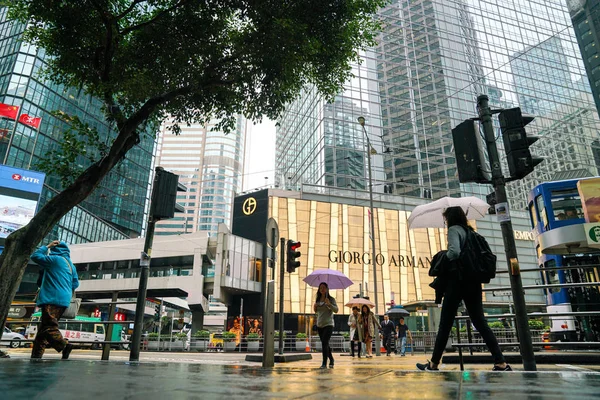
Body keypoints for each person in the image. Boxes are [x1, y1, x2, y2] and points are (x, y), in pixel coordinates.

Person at [416, 206, 511, 372]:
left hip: (457, 282)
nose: (445, 222)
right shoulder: (471, 232)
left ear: (450, 218)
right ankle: (500, 362)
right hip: (473, 282)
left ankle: (433, 364)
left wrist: (442, 256)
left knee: (445, 323)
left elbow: (454, 252)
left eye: (446, 219)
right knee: (480, 322)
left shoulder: (454, 230)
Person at [30, 240, 79, 360]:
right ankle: (36, 355)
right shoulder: (70, 265)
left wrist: (47, 246)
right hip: (64, 300)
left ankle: (64, 345)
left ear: (55, 250)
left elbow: (35, 256)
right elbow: (75, 284)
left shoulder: (55, 260)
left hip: (52, 298)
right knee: (43, 330)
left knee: (49, 327)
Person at [314, 282, 338, 369]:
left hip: (328, 324)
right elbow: (317, 312)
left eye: (324, 287)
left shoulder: (331, 299)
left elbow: (336, 310)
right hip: (320, 324)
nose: (322, 289)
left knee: (324, 342)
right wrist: (315, 308)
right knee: (325, 344)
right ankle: (331, 359)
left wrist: (329, 304)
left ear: (327, 289)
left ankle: (324, 363)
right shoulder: (318, 299)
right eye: (320, 288)